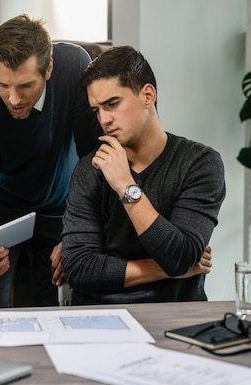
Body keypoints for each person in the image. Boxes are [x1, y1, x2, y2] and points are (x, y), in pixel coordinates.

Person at [61, 45, 226, 305]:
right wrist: (167, 270)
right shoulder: (89, 168)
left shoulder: (200, 164)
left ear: (147, 95)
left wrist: (126, 186)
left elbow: (179, 256)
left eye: (113, 104)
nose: (104, 119)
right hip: (100, 317)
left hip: (176, 317)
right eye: (96, 110)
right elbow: (80, 269)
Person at [0, 14, 103, 308]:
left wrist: (79, 230)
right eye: (3, 85)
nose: (13, 99)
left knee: (52, 308)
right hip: (3, 214)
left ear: (48, 68)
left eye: (25, 85)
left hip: (59, 207)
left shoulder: (74, 65)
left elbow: (94, 157)